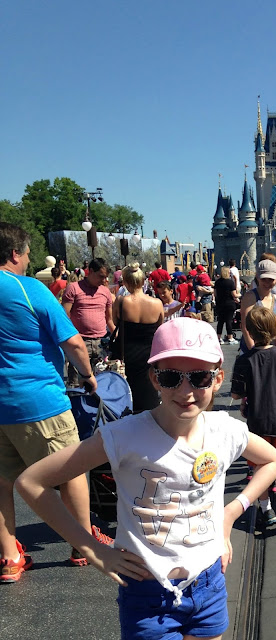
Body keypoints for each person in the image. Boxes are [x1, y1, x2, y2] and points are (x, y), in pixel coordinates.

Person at [16, 318, 276, 639]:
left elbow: (274, 460)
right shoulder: (124, 436)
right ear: (155, 378)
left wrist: (230, 513)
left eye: (199, 377)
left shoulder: (225, 431)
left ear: (217, 379)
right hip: (147, 591)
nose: (186, 391)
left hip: (209, 581)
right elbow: (31, 482)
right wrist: (91, 548)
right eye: (172, 377)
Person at [0, 222, 111, 582]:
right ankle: (82, 545)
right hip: (39, 399)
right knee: (71, 470)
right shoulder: (29, 288)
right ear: (15, 253)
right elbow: (73, 342)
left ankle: (9, 557)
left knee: (2, 482)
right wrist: (89, 376)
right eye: (27, 254)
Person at [231, 307, 276, 530]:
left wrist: (245, 398)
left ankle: (266, 508)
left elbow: (235, 393)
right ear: (274, 329)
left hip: (257, 423)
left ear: (249, 332)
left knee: (260, 467)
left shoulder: (246, 359)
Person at [112, 263, 164, 411]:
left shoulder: (121, 301)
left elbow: (115, 322)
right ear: (143, 282)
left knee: (128, 389)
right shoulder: (157, 303)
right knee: (148, 389)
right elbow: (160, 328)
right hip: (149, 352)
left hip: (126, 352)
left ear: (126, 282)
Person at [62, 257, 116, 386]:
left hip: (101, 343)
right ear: (90, 271)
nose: (103, 281)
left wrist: (117, 337)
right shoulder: (73, 288)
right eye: (100, 276)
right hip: (80, 342)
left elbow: (109, 319)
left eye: (106, 277)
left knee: (101, 382)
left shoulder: (105, 292)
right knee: (76, 382)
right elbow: (63, 317)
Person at [240, 260, 276, 351]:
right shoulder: (250, 297)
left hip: (271, 350)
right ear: (257, 277)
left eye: (271, 279)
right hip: (251, 350)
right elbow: (245, 327)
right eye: (264, 279)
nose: (267, 283)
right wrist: (254, 351)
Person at [214, 266, 240, 344]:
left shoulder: (217, 282)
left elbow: (215, 294)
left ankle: (218, 337)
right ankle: (230, 337)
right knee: (229, 321)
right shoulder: (230, 282)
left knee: (220, 321)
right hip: (229, 304)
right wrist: (240, 295)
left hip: (220, 304)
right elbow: (234, 295)